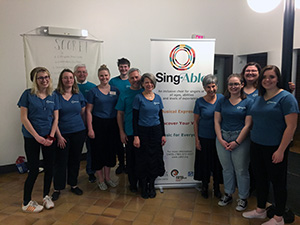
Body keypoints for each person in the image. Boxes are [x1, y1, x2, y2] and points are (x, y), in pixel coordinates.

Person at [242, 65, 299, 225]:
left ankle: (278, 217)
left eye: (272, 77)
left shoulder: (286, 98)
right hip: (257, 145)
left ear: (278, 79)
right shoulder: (258, 98)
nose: (267, 80)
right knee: (260, 179)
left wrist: (281, 150)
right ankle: (260, 210)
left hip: (275, 147)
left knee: (278, 182)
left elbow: (291, 127)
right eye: (265, 77)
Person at [17, 67, 59, 212]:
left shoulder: (53, 95)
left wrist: (51, 136)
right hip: (32, 137)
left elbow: (56, 118)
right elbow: (24, 118)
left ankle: (46, 196)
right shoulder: (27, 95)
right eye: (41, 77)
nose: (44, 80)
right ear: (35, 80)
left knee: (49, 167)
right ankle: (26, 202)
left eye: (47, 76)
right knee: (34, 169)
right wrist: (37, 137)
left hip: (48, 138)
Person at [214, 74, 252, 211]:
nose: (233, 87)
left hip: (240, 138)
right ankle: (228, 194)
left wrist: (237, 141)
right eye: (230, 84)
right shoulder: (222, 101)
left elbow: (248, 125)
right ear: (227, 86)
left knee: (241, 170)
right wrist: (220, 139)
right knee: (227, 169)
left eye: (236, 84)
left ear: (242, 85)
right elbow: (217, 121)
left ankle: (242, 198)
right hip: (223, 137)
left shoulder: (248, 102)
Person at [51, 69, 86, 201]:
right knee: (60, 161)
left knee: (75, 160)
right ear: (61, 80)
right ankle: (57, 188)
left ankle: (73, 184)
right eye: (65, 78)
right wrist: (58, 136)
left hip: (78, 132)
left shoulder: (78, 94)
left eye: (71, 78)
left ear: (74, 80)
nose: (69, 80)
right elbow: (54, 118)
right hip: (62, 133)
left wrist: (84, 129)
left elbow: (82, 113)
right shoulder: (56, 95)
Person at [86, 64, 120, 190]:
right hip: (98, 124)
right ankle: (100, 179)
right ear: (98, 77)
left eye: (106, 75)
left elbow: (120, 109)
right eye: (101, 75)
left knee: (110, 152)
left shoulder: (116, 90)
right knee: (98, 152)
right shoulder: (93, 91)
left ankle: (108, 177)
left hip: (112, 124)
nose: (104, 77)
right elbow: (88, 111)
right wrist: (90, 128)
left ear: (109, 76)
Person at [132, 73, 166, 199]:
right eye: (146, 82)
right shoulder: (138, 98)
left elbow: (161, 118)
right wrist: (136, 136)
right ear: (142, 84)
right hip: (143, 132)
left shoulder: (158, 98)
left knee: (154, 159)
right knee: (143, 160)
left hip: (156, 132)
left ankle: (151, 185)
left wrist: (163, 134)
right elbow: (134, 119)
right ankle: (144, 187)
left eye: (151, 82)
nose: (149, 84)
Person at [193, 74, 223, 199]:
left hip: (219, 138)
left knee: (218, 165)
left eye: (213, 86)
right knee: (204, 164)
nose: (211, 89)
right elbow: (195, 122)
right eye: (208, 87)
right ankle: (205, 186)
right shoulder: (199, 102)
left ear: (217, 86)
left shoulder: (222, 99)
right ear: (204, 88)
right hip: (204, 138)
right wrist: (197, 140)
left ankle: (217, 188)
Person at [115, 68, 143, 193]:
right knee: (131, 159)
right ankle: (133, 183)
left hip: (144, 132)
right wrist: (121, 131)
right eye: (132, 78)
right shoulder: (125, 94)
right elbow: (120, 114)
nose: (135, 80)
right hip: (130, 132)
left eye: (137, 77)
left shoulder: (145, 91)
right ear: (129, 79)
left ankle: (143, 182)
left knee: (142, 159)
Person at [74, 64, 97, 183]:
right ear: (75, 74)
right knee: (74, 153)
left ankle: (91, 172)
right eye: (79, 72)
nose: (81, 74)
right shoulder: (71, 87)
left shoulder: (93, 87)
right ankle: (73, 176)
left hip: (88, 125)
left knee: (91, 150)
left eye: (83, 72)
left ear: (87, 73)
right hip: (74, 126)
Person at [109, 58, 131, 174]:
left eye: (125, 66)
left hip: (129, 116)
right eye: (121, 67)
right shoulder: (113, 82)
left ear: (129, 67)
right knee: (118, 141)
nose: (123, 69)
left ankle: (129, 164)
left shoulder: (133, 81)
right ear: (118, 68)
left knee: (129, 141)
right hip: (116, 115)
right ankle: (121, 164)